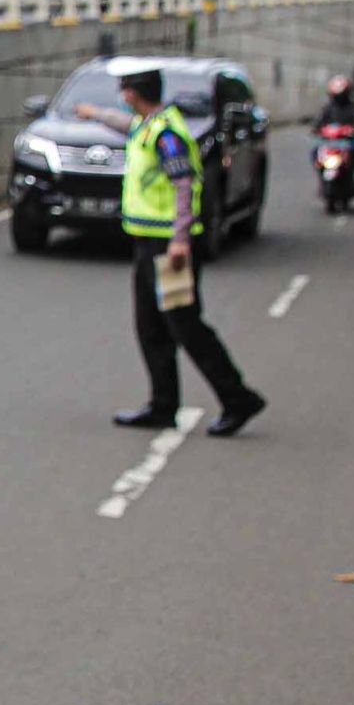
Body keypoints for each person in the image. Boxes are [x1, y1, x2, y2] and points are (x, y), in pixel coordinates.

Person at [75, 62, 266, 438]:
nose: (122, 98)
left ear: (133, 94)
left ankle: (237, 397)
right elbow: (123, 124)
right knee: (150, 327)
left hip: (169, 248)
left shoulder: (168, 136)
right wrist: (93, 114)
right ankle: (163, 405)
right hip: (149, 244)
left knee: (184, 324)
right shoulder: (149, 126)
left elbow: (183, 184)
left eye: (124, 91)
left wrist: (180, 240)